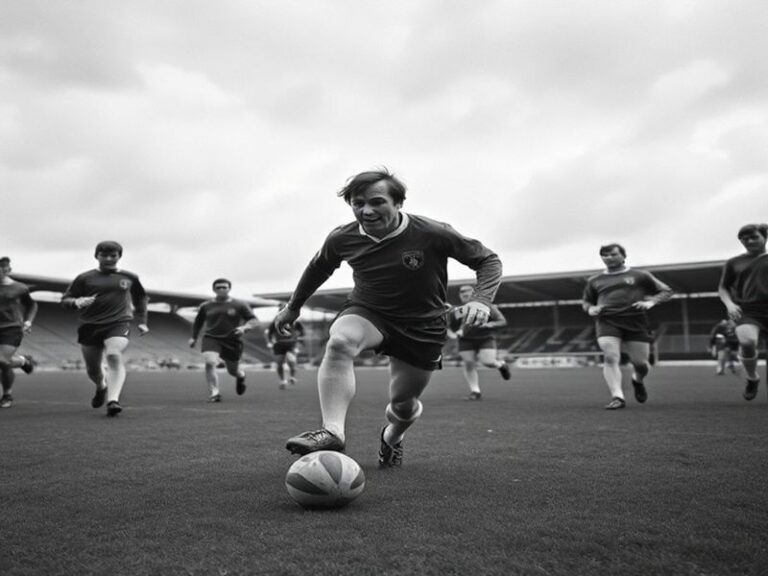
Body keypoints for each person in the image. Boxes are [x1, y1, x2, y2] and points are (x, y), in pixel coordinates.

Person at [274, 168, 503, 468]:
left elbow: (488, 260)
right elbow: (318, 268)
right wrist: (293, 306)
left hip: (423, 326)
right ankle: (332, 431)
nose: (366, 210)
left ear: (398, 204)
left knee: (402, 407)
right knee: (340, 341)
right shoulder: (342, 238)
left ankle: (392, 438)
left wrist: (482, 300)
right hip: (370, 312)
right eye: (358, 203)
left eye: (377, 202)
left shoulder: (432, 233)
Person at [61, 241, 148, 417]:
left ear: (119, 256)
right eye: (104, 255)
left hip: (118, 323)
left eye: (113, 255)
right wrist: (76, 302)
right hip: (89, 325)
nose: (108, 259)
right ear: (96, 256)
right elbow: (65, 300)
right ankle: (101, 386)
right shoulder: (84, 278)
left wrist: (142, 321)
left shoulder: (130, 277)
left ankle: (113, 400)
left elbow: (141, 298)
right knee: (93, 370)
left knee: (113, 354)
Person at [582, 243, 673, 410]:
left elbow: (666, 291)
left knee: (641, 364)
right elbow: (587, 301)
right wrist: (591, 309)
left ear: (623, 256)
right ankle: (617, 396)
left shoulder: (640, 275)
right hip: (607, 321)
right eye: (604, 255)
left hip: (635, 321)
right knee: (610, 357)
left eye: (613, 254)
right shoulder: (594, 281)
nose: (608, 258)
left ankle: (637, 380)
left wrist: (651, 302)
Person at [718, 223, 768, 401]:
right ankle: (752, 377)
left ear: (764, 237)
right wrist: (730, 304)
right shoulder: (734, 263)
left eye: (754, 237)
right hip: (747, 309)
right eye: (744, 238)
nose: (749, 241)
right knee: (747, 341)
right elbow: (723, 288)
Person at [188, 279, 259, 402]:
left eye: (224, 287)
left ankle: (241, 376)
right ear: (214, 289)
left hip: (232, 340)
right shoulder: (205, 306)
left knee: (233, 371)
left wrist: (245, 328)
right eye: (218, 287)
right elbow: (198, 322)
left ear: (229, 289)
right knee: (210, 362)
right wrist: (194, 337)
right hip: (211, 337)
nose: (221, 289)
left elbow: (254, 320)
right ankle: (215, 393)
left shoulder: (239, 304)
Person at [447, 284, 511, 400]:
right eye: (463, 295)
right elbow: (448, 323)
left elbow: (502, 321)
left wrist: (488, 325)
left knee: (488, 362)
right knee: (469, 363)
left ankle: (501, 365)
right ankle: (475, 391)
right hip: (466, 340)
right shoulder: (460, 310)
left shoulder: (487, 306)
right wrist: (451, 333)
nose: (465, 297)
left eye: (468, 295)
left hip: (485, 338)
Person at [0, 257, 37, 408]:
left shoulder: (20, 288)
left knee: (2, 360)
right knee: (4, 362)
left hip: (11, 327)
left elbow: (32, 305)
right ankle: (22, 361)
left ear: (7, 270)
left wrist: (28, 321)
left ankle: (7, 394)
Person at [265, 306, 305, 389]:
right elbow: (269, 333)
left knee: (291, 361)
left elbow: (302, 331)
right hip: (279, 344)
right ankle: (283, 380)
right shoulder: (275, 322)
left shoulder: (294, 321)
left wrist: (299, 340)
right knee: (279, 363)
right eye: (281, 310)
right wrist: (269, 342)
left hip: (291, 343)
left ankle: (292, 377)